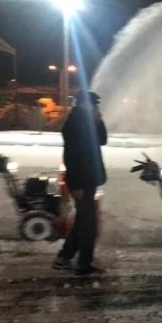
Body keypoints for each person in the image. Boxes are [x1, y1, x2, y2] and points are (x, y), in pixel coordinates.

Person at [52, 90, 108, 276]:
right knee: (87, 224)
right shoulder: (75, 123)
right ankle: (83, 263)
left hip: (88, 178)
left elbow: (102, 141)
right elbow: (73, 157)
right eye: (94, 104)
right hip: (81, 180)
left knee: (84, 221)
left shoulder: (87, 121)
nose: (96, 107)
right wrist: (76, 185)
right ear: (84, 104)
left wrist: (99, 122)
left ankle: (64, 257)